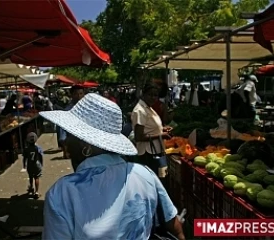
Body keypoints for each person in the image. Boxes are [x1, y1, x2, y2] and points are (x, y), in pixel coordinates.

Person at [40, 93, 185, 240]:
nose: (66, 141)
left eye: (70, 135)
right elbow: (175, 227)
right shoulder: (145, 174)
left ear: (86, 145)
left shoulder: (63, 192)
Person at [132, 83, 172, 178]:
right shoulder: (140, 111)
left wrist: (162, 129)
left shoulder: (148, 108)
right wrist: (161, 135)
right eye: (150, 94)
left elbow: (149, 128)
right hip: (147, 154)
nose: (153, 97)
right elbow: (139, 137)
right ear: (143, 94)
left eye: (155, 95)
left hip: (154, 151)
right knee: (151, 179)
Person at [58, 85, 85, 159]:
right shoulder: (67, 111)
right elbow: (63, 132)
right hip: (75, 145)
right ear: (72, 95)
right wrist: (65, 150)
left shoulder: (87, 109)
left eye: (81, 93)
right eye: (76, 94)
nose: (79, 96)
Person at [21, 132, 43, 198]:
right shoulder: (37, 148)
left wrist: (24, 166)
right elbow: (40, 156)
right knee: (37, 177)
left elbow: (24, 158)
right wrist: (41, 163)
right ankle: (36, 192)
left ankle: (31, 187)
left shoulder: (26, 149)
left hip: (29, 164)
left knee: (30, 177)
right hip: (36, 164)